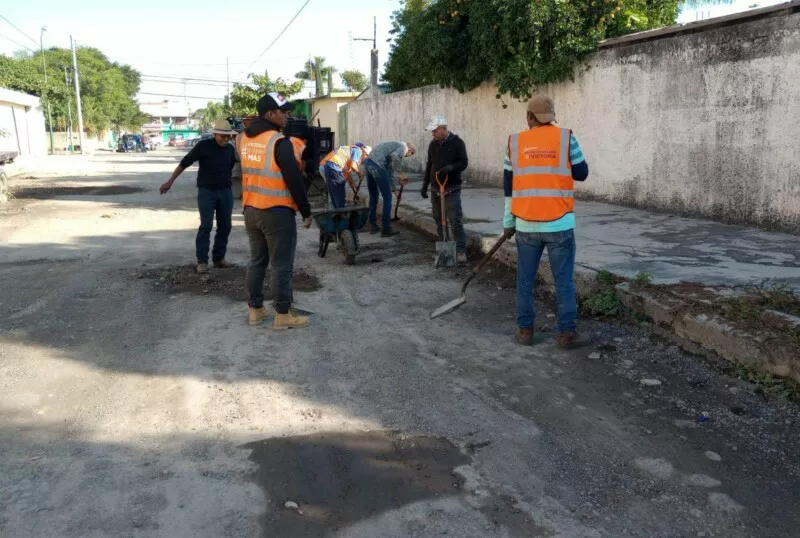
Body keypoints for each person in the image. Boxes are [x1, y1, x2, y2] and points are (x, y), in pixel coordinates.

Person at [504, 95, 590, 349]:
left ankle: (525, 332)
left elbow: (508, 187)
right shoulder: (565, 137)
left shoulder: (515, 142)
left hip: (525, 225)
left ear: (529, 117)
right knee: (563, 281)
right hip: (559, 224)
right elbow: (582, 173)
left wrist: (508, 221)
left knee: (525, 280)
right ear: (551, 117)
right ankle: (566, 335)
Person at [235, 92, 313, 329]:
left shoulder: (243, 139)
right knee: (281, 265)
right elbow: (293, 178)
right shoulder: (279, 142)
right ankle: (282, 315)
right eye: (283, 111)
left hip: (251, 210)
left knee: (257, 261)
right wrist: (306, 210)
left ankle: (256, 310)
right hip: (277, 212)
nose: (287, 115)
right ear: (270, 114)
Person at [159, 119, 238, 274]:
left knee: (225, 226)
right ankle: (202, 261)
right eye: (222, 135)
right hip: (207, 192)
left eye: (227, 136)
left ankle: (219, 259)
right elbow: (185, 162)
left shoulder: (230, 150)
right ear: (215, 134)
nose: (225, 139)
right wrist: (170, 181)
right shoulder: (203, 146)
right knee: (206, 226)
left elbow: (230, 168)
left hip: (225, 192)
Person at [420, 115, 469, 264]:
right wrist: (425, 184)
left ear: (444, 129)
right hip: (436, 188)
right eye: (432, 131)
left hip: (452, 187)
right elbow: (429, 165)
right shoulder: (432, 144)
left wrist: (451, 168)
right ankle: (443, 245)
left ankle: (460, 250)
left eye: (435, 131)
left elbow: (464, 162)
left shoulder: (457, 143)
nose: (433, 134)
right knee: (438, 218)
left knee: (455, 219)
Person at [361, 141, 416, 236]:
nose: (407, 156)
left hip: (368, 165)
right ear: (410, 150)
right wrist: (401, 173)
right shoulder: (403, 147)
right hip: (377, 166)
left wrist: (394, 190)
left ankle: (373, 225)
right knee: (387, 197)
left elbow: (390, 173)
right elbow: (396, 156)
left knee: (373, 196)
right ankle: (386, 228)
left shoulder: (391, 148)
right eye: (410, 154)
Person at [319, 144, 369, 208]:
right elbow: (353, 166)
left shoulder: (347, 151)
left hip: (328, 166)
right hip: (335, 167)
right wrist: (359, 173)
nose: (362, 159)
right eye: (366, 157)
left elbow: (347, 172)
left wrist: (352, 183)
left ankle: (334, 212)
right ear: (364, 153)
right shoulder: (358, 150)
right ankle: (341, 213)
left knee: (334, 193)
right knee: (340, 194)